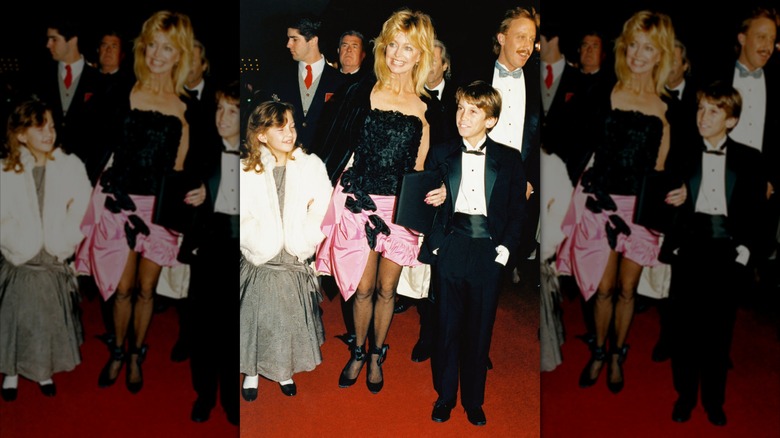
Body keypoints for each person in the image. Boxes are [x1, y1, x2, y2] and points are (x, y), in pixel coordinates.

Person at [555, 10, 686, 394]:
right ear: (624, 47)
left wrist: (684, 188)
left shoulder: (668, 107)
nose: (639, 54)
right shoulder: (603, 92)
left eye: (649, 47)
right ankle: (598, 350)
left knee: (629, 289)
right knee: (603, 287)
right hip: (601, 206)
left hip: (642, 210)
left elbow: (670, 166)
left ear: (660, 53)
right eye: (633, 45)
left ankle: (617, 354)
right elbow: (570, 139)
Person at [314, 8, 442, 394]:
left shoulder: (426, 108)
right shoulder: (360, 93)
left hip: (400, 211)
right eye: (392, 45)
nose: (398, 54)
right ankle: (357, 350)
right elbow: (332, 145)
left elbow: (424, 167)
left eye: (408, 47)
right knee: (363, 288)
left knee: (389, 289)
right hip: (360, 206)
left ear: (420, 54)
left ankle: (376, 353)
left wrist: (441, 191)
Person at [74, 10, 197, 394]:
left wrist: (198, 193)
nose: (158, 55)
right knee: (121, 288)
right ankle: (116, 350)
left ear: (180, 54)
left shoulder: (186, 105)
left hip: (159, 211)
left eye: (168, 48)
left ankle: (135, 353)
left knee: (147, 290)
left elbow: (182, 167)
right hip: (119, 205)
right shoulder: (121, 91)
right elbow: (91, 142)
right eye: (152, 45)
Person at [419, 80, 526, 426]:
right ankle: (445, 397)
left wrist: (506, 250)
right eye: (460, 108)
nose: (462, 117)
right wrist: (436, 240)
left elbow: (516, 211)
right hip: (452, 244)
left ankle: (474, 400)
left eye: (473, 111)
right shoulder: (442, 153)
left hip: (489, 250)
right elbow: (426, 204)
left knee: (480, 330)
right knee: (447, 327)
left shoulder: (509, 159)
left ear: (491, 120)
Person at [662, 81, 765, 427]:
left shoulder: (750, 159)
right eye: (700, 109)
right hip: (690, 249)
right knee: (685, 332)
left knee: (719, 335)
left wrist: (746, 252)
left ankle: (713, 400)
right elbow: (660, 205)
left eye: (713, 111)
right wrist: (672, 203)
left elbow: (757, 213)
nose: (703, 117)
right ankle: (686, 396)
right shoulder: (683, 152)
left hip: (727, 254)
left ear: (731, 120)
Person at [239, 100, 332, 399]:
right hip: (261, 256)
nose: (289, 133)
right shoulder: (244, 168)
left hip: (293, 253)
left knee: (287, 318)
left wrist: (305, 235)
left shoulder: (310, 165)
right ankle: (251, 371)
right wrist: (255, 238)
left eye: (291, 126)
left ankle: (283, 371)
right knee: (257, 317)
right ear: (262, 134)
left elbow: (324, 207)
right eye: (280, 128)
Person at [0, 99, 91, 400]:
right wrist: (13, 238)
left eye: (51, 126)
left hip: (52, 255)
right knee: (16, 318)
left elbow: (83, 206)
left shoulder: (69, 165)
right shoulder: (5, 169)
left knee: (46, 319)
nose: (49, 133)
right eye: (40, 127)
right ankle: (11, 371)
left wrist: (65, 238)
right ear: (21, 134)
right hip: (20, 257)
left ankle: (43, 371)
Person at [184, 80, 240, 425]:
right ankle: (204, 394)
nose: (222, 117)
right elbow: (180, 200)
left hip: (240, 254)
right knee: (203, 331)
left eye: (232, 111)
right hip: (208, 252)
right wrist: (198, 196)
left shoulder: (255, 156)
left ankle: (231, 400)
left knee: (232, 332)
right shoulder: (202, 153)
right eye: (219, 108)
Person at [256, 14, 346, 153]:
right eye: (288, 38)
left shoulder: (341, 83)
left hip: (323, 164)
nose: (288, 44)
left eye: (294, 39)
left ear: (312, 41)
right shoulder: (277, 78)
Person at [35, 15, 103, 177]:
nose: (48, 44)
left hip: (84, 172)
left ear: (72, 40)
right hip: (43, 166)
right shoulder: (39, 77)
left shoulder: (100, 82)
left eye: (54, 39)